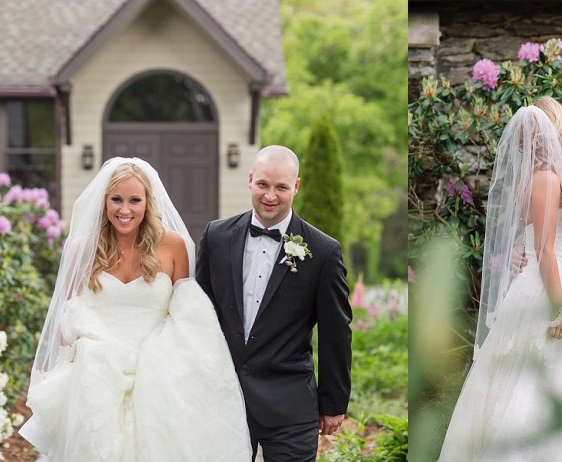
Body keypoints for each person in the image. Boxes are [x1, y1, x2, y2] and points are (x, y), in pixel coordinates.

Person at [19, 158, 251, 461]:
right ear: (104, 201)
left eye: (134, 200)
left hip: (159, 371)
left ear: (148, 202)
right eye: (116, 199)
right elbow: (69, 315)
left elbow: (189, 315)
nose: (124, 210)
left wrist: (175, 364)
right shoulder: (82, 249)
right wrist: (83, 358)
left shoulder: (174, 246)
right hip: (98, 370)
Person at [438, 98, 562, 461]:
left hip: (549, 287)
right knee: (534, 387)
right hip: (545, 295)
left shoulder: (548, 174)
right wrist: (557, 311)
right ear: (551, 129)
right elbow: (545, 250)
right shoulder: (547, 178)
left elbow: (527, 239)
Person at [195, 145, 352, 462]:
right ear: (251, 180)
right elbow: (197, 315)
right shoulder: (216, 236)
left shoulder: (322, 252)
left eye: (281, 187)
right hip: (223, 399)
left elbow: (336, 331)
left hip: (290, 406)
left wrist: (334, 403)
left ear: (295, 187)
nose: (270, 195)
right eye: (263, 184)